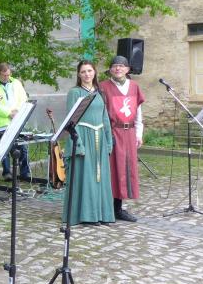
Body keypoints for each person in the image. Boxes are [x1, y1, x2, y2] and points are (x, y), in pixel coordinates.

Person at [62, 61, 115, 226]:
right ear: (79, 74)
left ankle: (101, 214)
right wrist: (78, 144)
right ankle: (86, 215)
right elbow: (72, 121)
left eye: (89, 71)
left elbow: (105, 118)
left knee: (100, 178)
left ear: (94, 72)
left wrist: (109, 141)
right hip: (83, 137)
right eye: (83, 71)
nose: (87, 74)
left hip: (100, 137)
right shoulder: (75, 93)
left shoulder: (100, 92)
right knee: (86, 177)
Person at [100, 55, 145, 222]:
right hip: (112, 132)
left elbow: (138, 112)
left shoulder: (134, 86)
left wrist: (139, 134)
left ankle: (118, 208)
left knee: (126, 169)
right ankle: (108, 208)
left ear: (127, 69)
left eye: (121, 66)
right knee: (112, 169)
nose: (118, 68)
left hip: (129, 132)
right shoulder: (103, 87)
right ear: (110, 70)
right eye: (114, 66)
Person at [0, 63, 30, 180]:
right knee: (5, 148)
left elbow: (23, 98)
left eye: (8, 74)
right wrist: (8, 113)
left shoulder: (16, 83)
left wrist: (17, 111)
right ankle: (7, 173)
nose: (7, 77)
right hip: (2, 123)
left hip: (17, 120)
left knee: (22, 147)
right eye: (4, 75)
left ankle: (24, 173)